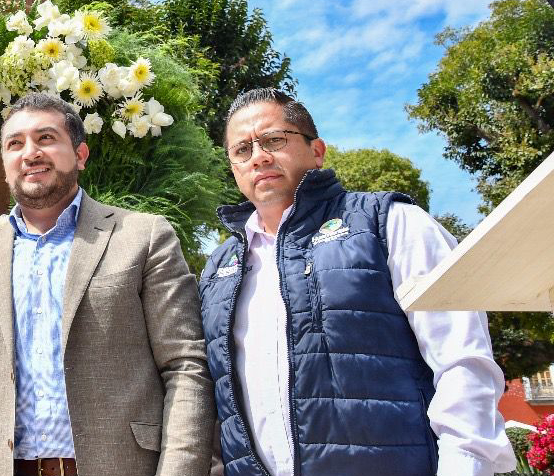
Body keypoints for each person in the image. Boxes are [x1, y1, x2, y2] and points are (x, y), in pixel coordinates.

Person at [200, 88, 516, 476]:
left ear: (317, 150)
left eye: (273, 140)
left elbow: (462, 360)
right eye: (242, 150)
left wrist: (465, 466)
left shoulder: (390, 222)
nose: (259, 157)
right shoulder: (218, 269)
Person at [0, 93, 215, 476]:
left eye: (45, 138)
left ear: (80, 155)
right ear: (4, 164)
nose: (30, 153)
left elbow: (185, 366)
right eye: (15, 144)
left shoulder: (142, 237)